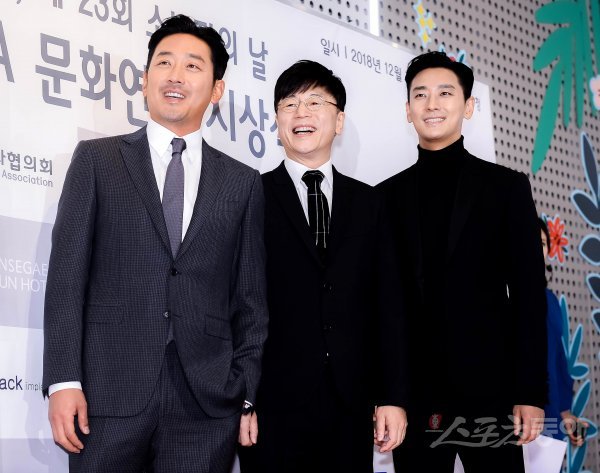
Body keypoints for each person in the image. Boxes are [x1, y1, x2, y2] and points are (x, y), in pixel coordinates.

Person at [42, 14, 267, 473]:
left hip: (205, 406)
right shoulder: (97, 161)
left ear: (217, 90)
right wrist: (63, 380)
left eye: (192, 65)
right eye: (164, 63)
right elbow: (66, 279)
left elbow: (250, 300)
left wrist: (244, 391)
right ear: (145, 81)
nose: (175, 76)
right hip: (106, 397)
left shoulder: (242, 182)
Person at [377, 51, 547, 472]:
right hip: (414, 396)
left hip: (491, 392)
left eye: (445, 93)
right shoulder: (383, 198)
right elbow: (382, 306)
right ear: (408, 110)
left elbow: (528, 296)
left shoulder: (506, 188)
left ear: (468, 106)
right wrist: (387, 395)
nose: (431, 104)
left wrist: (529, 392)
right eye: (420, 95)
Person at [238, 60, 408, 473]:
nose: (302, 113)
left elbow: (388, 305)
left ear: (339, 120)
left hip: (351, 403)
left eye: (315, 102)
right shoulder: (249, 195)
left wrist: (392, 396)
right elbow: (234, 301)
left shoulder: (370, 204)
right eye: (290, 104)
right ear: (276, 120)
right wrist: (241, 398)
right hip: (271, 402)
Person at [539, 218, 586, 446]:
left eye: (542, 243)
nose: (536, 249)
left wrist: (565, 412)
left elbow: (557, 359)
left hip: (549, 422)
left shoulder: (550, 301)